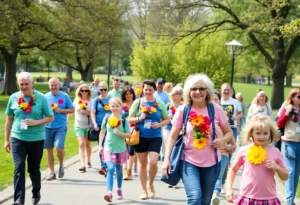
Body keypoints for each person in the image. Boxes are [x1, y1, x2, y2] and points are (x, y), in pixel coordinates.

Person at [163, 74, 234, 204]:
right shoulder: (183, 110)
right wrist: (166, 160)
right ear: (188, 92)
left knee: (205, 202)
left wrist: (222, 141)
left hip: (212, 163)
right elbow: (172, 136)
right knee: (195, 198)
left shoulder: (216, 109)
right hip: (188, 161)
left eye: (201, 89)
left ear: (207, 92)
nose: (197, 92)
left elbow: (229, 132)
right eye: (193, 89)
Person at [4, 72, 54, 205]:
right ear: (18, 84)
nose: (24, 86)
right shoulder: (13, 98)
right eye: (21, 84)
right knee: (19, 167)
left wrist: (35, 122)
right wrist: (6, 139)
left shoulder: (41, 98)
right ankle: (19, 200)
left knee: (33, 169)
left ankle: (36, 190)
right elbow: (9, 119)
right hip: (18, 138)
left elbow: (50, 117)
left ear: (33, 84)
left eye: (27, 84)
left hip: (36, 139)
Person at [226, 114, 288, 205]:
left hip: (269, 198)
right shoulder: (244, 150)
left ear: (270, 133)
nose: (261, 136)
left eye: (265, 133)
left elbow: (285, 177)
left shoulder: (275, 152)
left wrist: (277, 167)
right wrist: (229, 189)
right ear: (251, 133)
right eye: (258, 133)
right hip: (247, 197)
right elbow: (233, 170)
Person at [128, 79, 170, 200]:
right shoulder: (138, 102)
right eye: (146, 89)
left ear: (154, 90)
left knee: (153, 162)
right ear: (143, 90)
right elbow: (129, 119)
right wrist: (139, 118)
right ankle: (144, 190)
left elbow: (167, 119)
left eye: (150, 90)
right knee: (142, 164)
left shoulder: (159, 103)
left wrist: (159, 125)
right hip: (140, 137)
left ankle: (151, 184)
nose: (148, 92)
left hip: (155, 137)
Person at [99, 97, 131, 202]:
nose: (115, 108)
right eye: (113, 106)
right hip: (108, 148)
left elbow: (129, 135)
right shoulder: (107, 118)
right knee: (110, 169)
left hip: (120, 149)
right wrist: (100, 146)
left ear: (121, 107)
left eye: (117, 106)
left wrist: (120, 133)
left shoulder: (124, 120)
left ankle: (119, 189)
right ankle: (109, 192)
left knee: (119, 170)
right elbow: (102, 132)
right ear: (109, 107)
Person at [44, 78, 74, 181]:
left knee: (59, 147)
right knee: (49, 149)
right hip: (47, 126)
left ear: (59, 85)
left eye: (55, 85)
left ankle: (61, 165)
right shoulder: (45, 97)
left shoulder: (64, 96)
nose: (53, 87)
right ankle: (52, 172)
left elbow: (72, 109)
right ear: (49, 86)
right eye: (51, 85)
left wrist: (60, 110)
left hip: (61, 126)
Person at [212, 90, 236, 205]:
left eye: (216, 99)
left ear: (220, 101)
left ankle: (215, 195)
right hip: (208, 154)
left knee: (218, 175)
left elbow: (230, 134)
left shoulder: (223, 118)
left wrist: (231, 146)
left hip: (223, 153)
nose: (214, 102)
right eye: (211, 99)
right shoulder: (203, 115)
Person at [277, 88, 300, 205]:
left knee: (297, 173)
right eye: (299, 97)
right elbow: (279, 124)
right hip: (289, 143)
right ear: (292, 98)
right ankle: (289, 200)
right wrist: (286, 113)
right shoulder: (287, 109)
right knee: (290, 171)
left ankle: (292, 199)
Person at [69, 84, 93, 172]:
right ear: (79, 91)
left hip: (88, 126)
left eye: (86, 91)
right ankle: (82, 164)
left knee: (87, 144)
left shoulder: (92, 101)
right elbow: (72, 111)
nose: (84, 92)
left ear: (88, 92)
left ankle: (89, 159)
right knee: (81, 144)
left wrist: (85, 111)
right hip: (78, 125)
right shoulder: (76, 100)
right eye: (82, 90)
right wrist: (67, 120)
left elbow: (92, 113)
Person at [90, 81, 111, 176]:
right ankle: (103, 165)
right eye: (101, 89)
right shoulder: (96, 100)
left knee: (109, 145)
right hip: (100, 126)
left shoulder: (111, 99)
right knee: (101, 145)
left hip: (111, 126)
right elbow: (92, 113)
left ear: (107, 89)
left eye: (105, 89)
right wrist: (94, 123)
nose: (103, 91)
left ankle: (109, 164)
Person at [161, 86, 183, 164]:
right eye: (176, 93)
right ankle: (168, 161)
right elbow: (163, 117)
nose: (177, 95)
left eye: (179, 93)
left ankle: (174, 161)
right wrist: (168, 117)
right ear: (173, 95)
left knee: (177, 146)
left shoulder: (184, 106)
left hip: (179, 129)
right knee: (169, 144)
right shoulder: (168, 105)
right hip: (168, 127)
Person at [121, 86, 137, 180]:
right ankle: (125, 169)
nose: (128, 96)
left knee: (131, 151)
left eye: (130, 93)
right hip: (122, 129)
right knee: (123, 149)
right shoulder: (122, 105)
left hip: (133, 129)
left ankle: (130, 169)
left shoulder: (137, 104)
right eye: (126, 94)